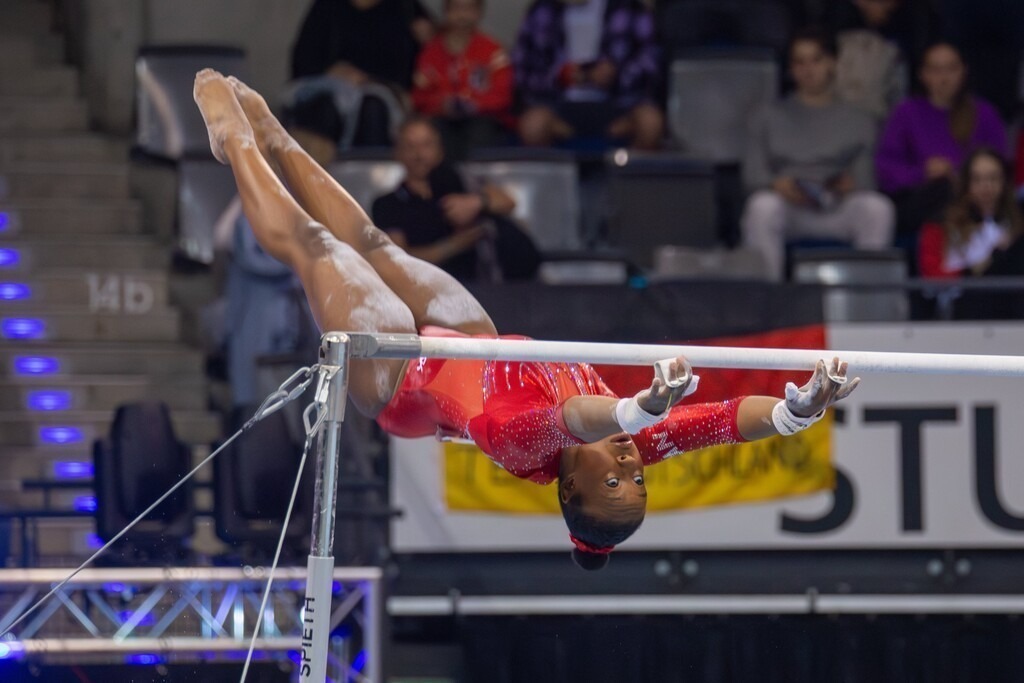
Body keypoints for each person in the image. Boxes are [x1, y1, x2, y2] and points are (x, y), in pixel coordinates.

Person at [193, 69, 859, 570]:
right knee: (375, 245)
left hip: (398, 383)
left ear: (569, 485)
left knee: (321, 248)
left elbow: (572, 418)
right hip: (474, 346)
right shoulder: (640, 439)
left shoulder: (525, 448)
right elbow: (724, 421)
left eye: (613, 480)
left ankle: (236, 144)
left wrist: (638, 407)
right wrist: (794, 413)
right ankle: (279, 138)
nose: (631, 465)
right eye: (637, 480)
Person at [741, 27, 895, 281]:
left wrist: (851, 184)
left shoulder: (859, 119)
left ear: (832, 63)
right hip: (789, 207)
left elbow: (868, 179)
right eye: (799, 62)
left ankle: (866, 299)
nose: (808, 70)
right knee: (761, 207)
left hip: (836, 207)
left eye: (816, 60)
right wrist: (775, 184)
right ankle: (767, 296)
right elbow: (752, 176)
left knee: (877, 208)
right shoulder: (766, 116)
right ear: (791, 69)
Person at [372, 116, 539, 282]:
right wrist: (456, 244)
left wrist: (477, 203)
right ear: (398, 153)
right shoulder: (387, 204)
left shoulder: (462, 181)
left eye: (426, 145)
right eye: (410, 146)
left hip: (481, 284)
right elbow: (398, 259)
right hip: (426, 287)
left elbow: (508, 202)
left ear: (440, 150)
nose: (419, 154)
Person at [876, 42, 1008, 236]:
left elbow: (1001, 164)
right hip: (920, 201)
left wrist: (964, 177)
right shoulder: (906, 112)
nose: (944, 78)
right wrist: (923, 172)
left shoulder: (984, 113)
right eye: (936, 70)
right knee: (942, 190)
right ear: (923, 74)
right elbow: (885, 169)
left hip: (976, 200)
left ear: (963, 71)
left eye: (951, 69)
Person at [287, 0, 435, 163]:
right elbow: (302, 61)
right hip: (332, 90)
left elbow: (427, 60)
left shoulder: (405, 6)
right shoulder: (327, 6)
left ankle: (373, 173)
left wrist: (369, 79)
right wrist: (332, 71)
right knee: (324, 110)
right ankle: (314, 174)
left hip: (385, 93)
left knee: (372, 109)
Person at [512, 0, 663, 150]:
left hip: (617, 106)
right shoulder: (541, 10)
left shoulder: (630, 8)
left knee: (650, 124)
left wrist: (616, 75)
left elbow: (651, 66)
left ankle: (625, 165)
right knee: (533, 126)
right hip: (559, 108)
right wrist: (558, 77)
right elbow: (522, 73)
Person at [411, 0, 514, 160]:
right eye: (456, 9)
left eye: (468, 9)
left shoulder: (493, 51)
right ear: (446, 12)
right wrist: (442, 104)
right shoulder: (431, 52)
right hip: (441, 119)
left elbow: (503, 96)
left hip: (482, 120)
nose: (462, 15)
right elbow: (419, 96)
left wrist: (473, 104)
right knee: (431, 133)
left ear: (479, 12)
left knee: (481, 131)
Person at [918, 148, 1024, 279]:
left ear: (1005, 182)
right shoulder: (939, 224)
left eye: (993, 178)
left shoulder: (1018, 224)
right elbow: (932, 276)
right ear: (966, 183)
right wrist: (973, 270)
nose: (986, 186)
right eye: (977, 179)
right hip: (964, 289)